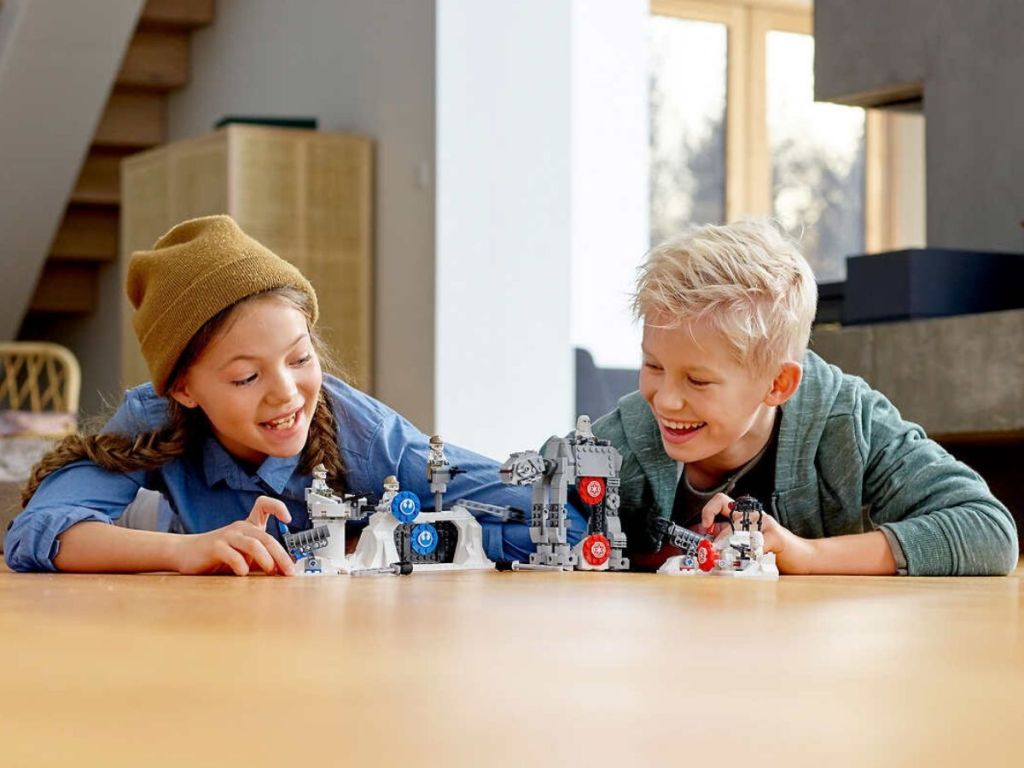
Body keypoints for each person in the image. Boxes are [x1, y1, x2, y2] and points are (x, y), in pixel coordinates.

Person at [5, 215, 532, 574]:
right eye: (245, 378)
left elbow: (550, 519)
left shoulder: (370, 439)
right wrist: (188, 550)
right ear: (185, 388)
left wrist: (374, 542)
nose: (286, 394)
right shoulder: (152, 415)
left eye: (300, 359)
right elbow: (35, 533)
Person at [593, 220, 1018, 575]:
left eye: (698, 381)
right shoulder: (625, 440)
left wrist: (803, 553)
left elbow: (989, 531)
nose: (665, 401)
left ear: (778, 384)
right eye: (653, 367)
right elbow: (530, 505)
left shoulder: (849, 423)